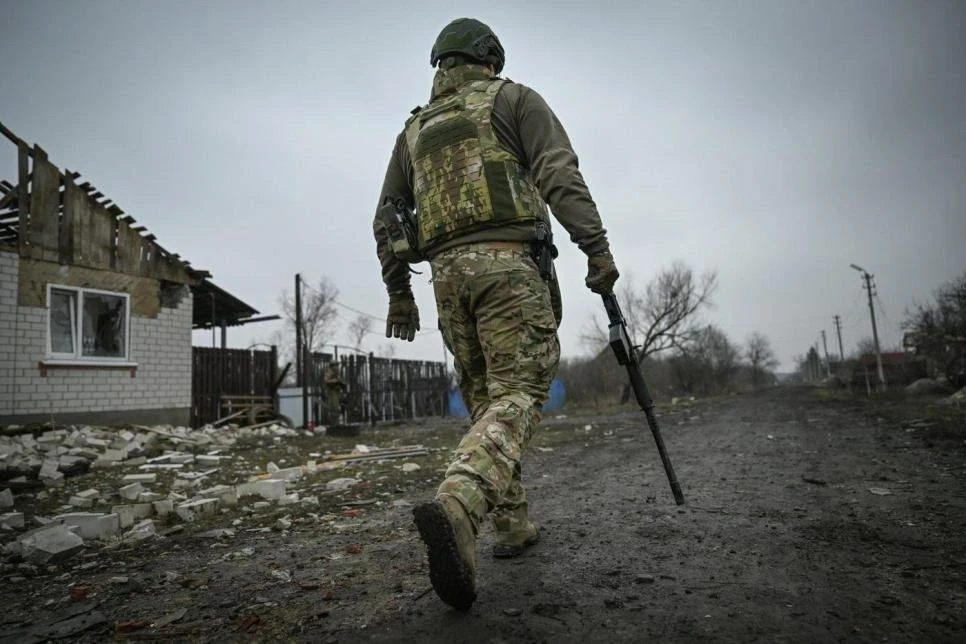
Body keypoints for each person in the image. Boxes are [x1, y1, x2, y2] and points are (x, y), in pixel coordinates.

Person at [372, 17, 619, 610]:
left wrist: (400, 293)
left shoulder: (413, 131)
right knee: (521, 392)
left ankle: (511, 525)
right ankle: (459, 504)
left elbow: (386, 217)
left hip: (447, 281)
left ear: (441, 66)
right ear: (489, 58)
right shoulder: (515, 100)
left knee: (487, 401)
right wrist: (597, 248)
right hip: (508, 269)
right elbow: (558, 174)